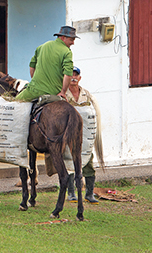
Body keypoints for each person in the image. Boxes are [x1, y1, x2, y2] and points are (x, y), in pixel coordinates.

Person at [64, 66, 101, 204]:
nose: (73, 78)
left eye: (76, 75)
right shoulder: (64, 93)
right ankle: (71, 192)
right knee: (69, 161)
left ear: (79, 78)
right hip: (69, 134)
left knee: (88, 162)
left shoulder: (86, 94)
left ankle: (89, 193)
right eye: (71, 75)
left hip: (85, 135)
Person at [15, 25, 78, 102]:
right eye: (71, 40)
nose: (73, 43)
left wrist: (35, 82)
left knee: (14, 103)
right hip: (54, 93)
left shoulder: (42, 46)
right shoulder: (67, 52)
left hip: (34, 91)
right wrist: (63, 92)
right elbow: (68, 74)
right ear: (63, 37)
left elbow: (32, 66)